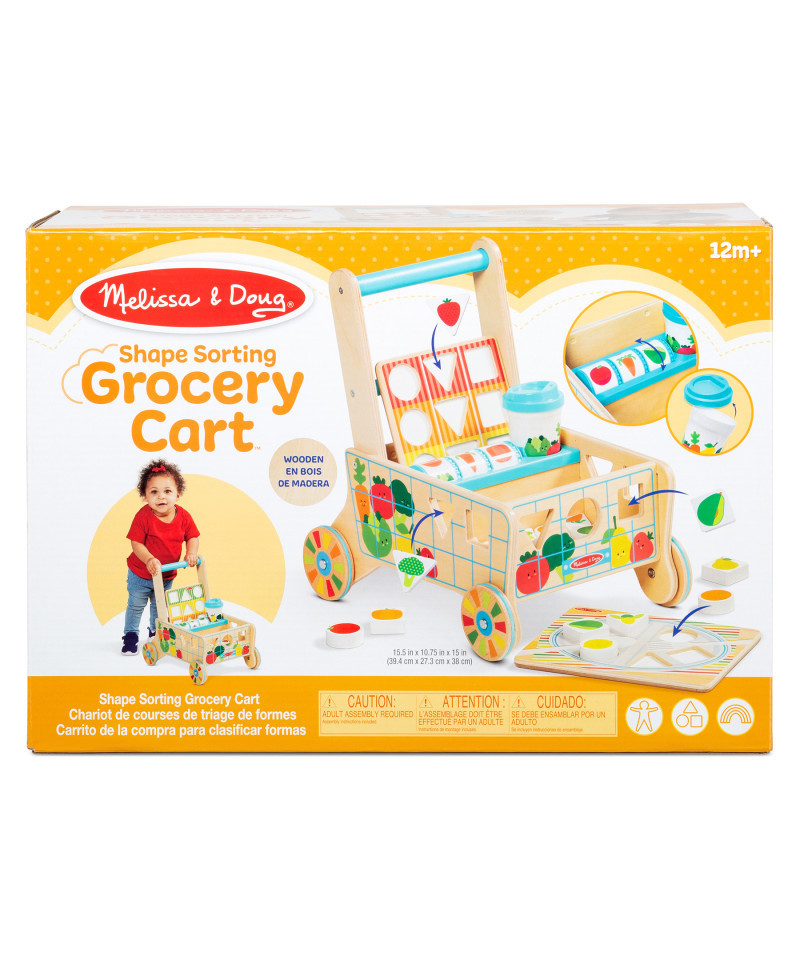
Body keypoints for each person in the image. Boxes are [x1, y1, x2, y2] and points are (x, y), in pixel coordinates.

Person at [121, 459, 200, 656]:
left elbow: (192, 536)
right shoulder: (143, 516)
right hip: (140, 574)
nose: (161, 496)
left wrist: (191, 552)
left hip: (166, 574)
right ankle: (130, 635)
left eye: (167, 491)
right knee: (136, 605)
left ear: (178, 494)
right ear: (145, 496)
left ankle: (156, 632)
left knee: (160, 606)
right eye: (154, 492)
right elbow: (136, 543)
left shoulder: (184, 517)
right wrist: (149, 559)